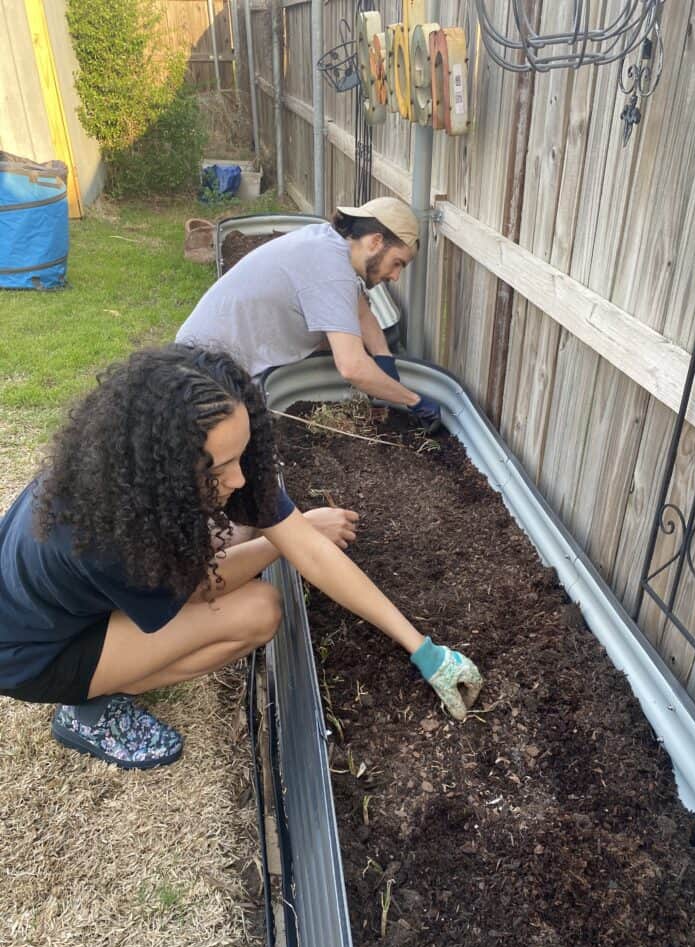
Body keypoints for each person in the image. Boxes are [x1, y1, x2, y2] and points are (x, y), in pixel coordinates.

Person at [0, 346, 482, 770]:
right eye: (218, 468)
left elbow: (310, 551)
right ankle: (85, 710)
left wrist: (425, 650)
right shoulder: (106, 532)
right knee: (258, 611)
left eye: (241, 453)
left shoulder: (162, 470)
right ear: (161, 466)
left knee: (247, 521)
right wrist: (278, 543)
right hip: (34, 651)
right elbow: (204, 589)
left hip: (64, 601)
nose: (238, 480)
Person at [175, 196, 441, 431]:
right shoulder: (333, 272)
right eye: (397, 263)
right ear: (375, 241)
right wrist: (414, 401)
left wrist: (384, 359)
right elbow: (352, 368)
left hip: (205, 355)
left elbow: (361, 315)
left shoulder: (328, 243)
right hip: (206, 373)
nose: (395, 276)